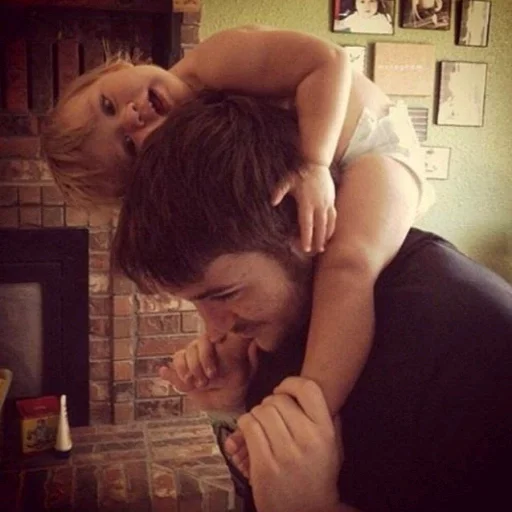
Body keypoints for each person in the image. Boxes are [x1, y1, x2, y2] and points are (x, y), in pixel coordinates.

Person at [42, 25, 434, 472]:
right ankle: (246, 391)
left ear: (113, 69)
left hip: (373, 143)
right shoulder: (195, 147)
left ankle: (306, 415)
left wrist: (314, 163)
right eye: (129, 147)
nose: (131, 117)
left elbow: (326, 61)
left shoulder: (216, 60)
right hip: (316, 169)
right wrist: (226, 373)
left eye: (107, 105)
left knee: (347, 263)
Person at [112, 91, 512, 512]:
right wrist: (235, 405)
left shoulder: (478, 339)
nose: (214, 330)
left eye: (225, 294)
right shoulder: (276, 325)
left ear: (304, 227)